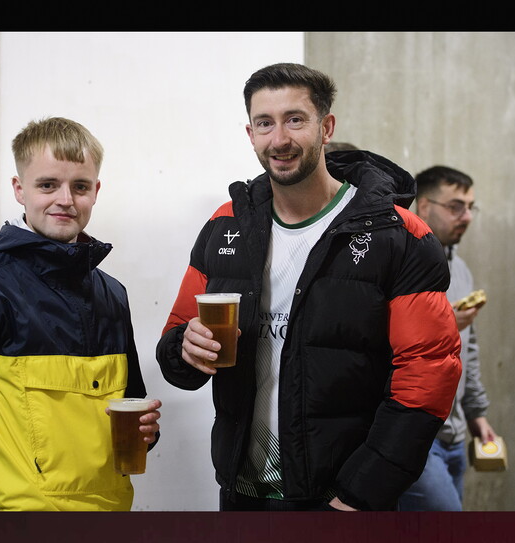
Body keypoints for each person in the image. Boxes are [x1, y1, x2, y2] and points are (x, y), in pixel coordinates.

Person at [155, 63, 462, 511]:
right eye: (265, 123)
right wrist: (186, 348)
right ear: (251, 132)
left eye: (295, 119)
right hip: (242, 494)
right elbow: (175, 347)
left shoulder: (399, 236)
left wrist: (361, 494)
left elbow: (428, 380)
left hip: (338, 501)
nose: (279, 139)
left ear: (326, 126)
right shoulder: (225, 225)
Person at [0, 117, 161, 511]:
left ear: (96, 191)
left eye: (80, 186)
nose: (66, 199)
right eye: (47, 185)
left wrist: (146, 431)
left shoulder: (113, 294)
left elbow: (130, 407)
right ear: (19, 190)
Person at [398, 165, 497, 511]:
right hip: (415, 438)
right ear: (424, 207)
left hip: (454, 436)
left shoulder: (461, 269)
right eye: (456, 206)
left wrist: (476, 416)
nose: (467, 217)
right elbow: (381, 348)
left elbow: (467, 350)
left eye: (470, 206)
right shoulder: (398, 263)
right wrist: (444, 324)